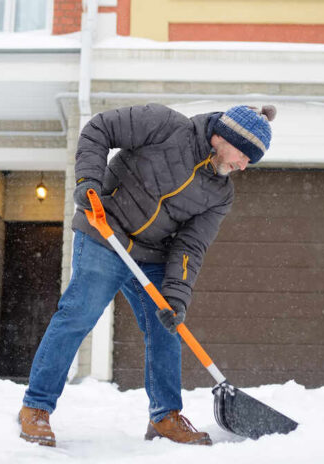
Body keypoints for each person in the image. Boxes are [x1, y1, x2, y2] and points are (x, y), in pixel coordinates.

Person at [18, 103, 276, 447]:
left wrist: (176, 296)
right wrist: (88, 180)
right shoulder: (165, 124)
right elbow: (99, 129)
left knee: (167, 326)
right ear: (222, 137)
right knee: (79, 314)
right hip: (104, 229)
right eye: (245, 155)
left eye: (250, 161)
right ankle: (36, 408)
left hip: (151, 254)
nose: (244, 165)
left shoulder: (220, 193)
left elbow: (191, 246)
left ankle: (165, 417)